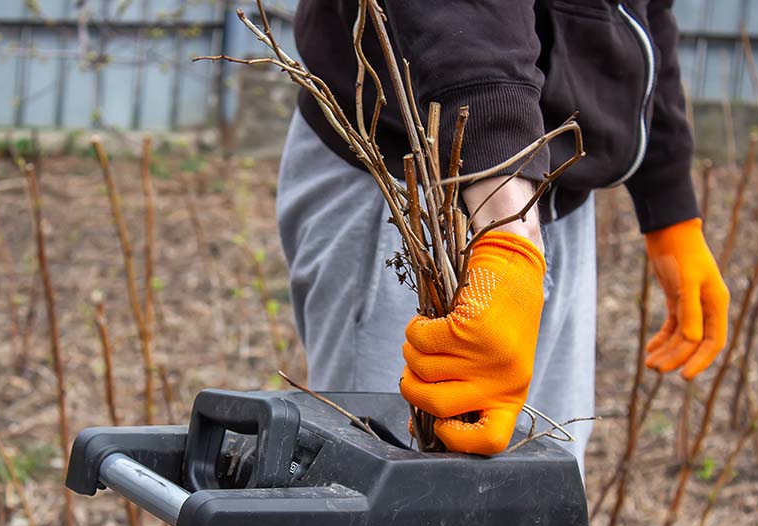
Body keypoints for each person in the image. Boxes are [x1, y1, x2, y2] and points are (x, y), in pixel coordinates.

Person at [277, 0, 729, 471]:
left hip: (556, 190)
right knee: (385, 490)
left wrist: (669, 204)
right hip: (411, 181)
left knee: (539, 483)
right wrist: (508, 234)